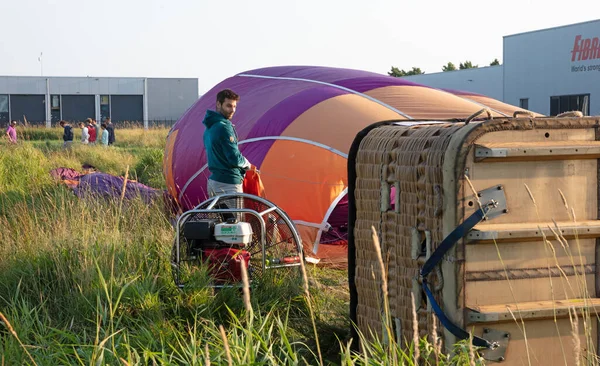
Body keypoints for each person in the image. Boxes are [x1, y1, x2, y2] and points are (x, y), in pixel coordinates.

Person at [203, 89, 252, 197]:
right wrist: (247, 164)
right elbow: (234, 158)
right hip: (229, 185)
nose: (233, 110)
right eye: (229, 106)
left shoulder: (209, 127)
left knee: (218, 214)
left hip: (213, 183)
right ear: (218, 104)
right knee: (235, 215)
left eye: (234, 106)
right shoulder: (224, 127)